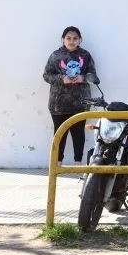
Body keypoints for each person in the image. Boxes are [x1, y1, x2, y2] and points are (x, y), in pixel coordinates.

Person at [43, 26, 100, 164]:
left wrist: (83, 78)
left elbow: (93, 76)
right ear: (63, 39)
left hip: (80, 103)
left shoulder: (85, 56)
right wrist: (62, 79)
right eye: (68, 38)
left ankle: (78, 163)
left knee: (78, 134)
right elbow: (46, 75)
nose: (72, 41)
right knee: (59, 134)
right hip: (58, 103)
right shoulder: (55, 56)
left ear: (80, 40)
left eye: (75, 38)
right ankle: (57, 164)